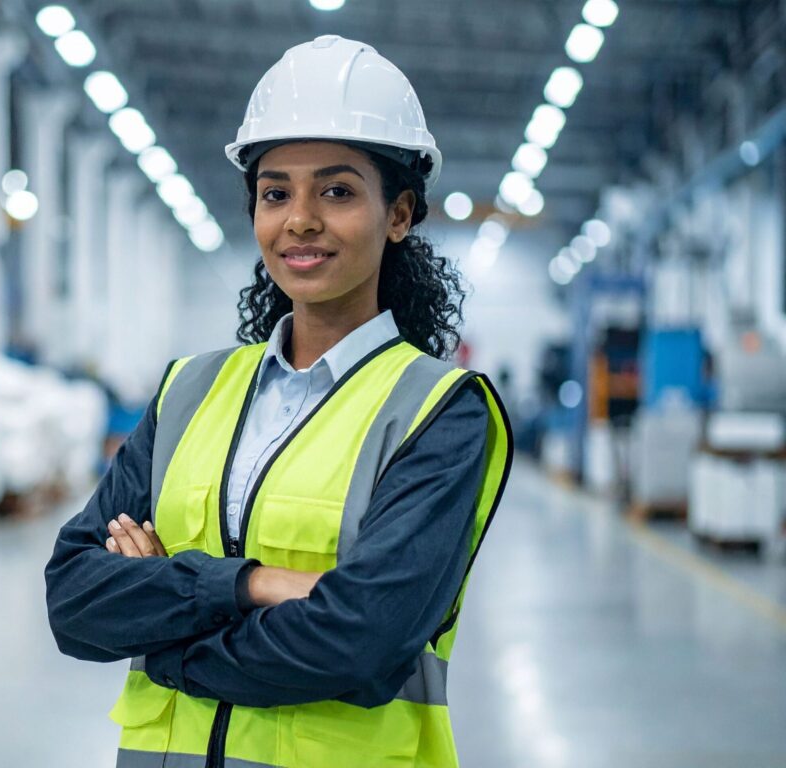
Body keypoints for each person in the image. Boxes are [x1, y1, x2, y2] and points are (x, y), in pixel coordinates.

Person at [45, 35, 512, 768]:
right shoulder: (188, 391)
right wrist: (252, 583)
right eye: (275, 193)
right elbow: (74, 599)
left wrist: (165, 640)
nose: (300, 219)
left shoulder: (438, 411)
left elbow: (361, 640)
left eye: (337, 191)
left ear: (398, 214)